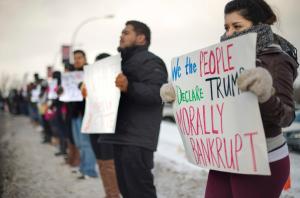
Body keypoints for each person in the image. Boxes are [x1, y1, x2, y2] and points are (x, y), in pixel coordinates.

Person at [160, 0, 299, 197]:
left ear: (258, 26)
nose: (229, 33)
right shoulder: (221, 61)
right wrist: (180, 95)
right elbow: (207, 97)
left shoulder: (276, 59)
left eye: (237, 26)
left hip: (263, 161)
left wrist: (265, 95)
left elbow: (286, 117)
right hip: (226, 157)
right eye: (227, 27)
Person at [98, 20, 168, 198]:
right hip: (120, 137)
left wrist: (130, 86)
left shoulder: (151, 61)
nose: (121, 35)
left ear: (141, 38)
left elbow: (157, 94)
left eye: (126, 32)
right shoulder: (120, 64)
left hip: (137, 140)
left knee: (140, 192)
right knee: (127, 191)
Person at [81, 53, 120, 197]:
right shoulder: (91, 82)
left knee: (109, 163)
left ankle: (114, 194)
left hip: (109, 127)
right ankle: (109, 193)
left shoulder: (117, 80)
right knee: (101, 162)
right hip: (94, 125)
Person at [70, 50, 97, 179]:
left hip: (86, 113)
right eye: (75, 58)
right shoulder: (71, 75)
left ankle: (90, 170)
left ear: (85, 58)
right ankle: (83, 167)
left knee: (86, 143)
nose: (77, 60)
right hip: (75, 114)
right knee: (79, 143)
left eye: (79, 57)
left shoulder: (90, 72)